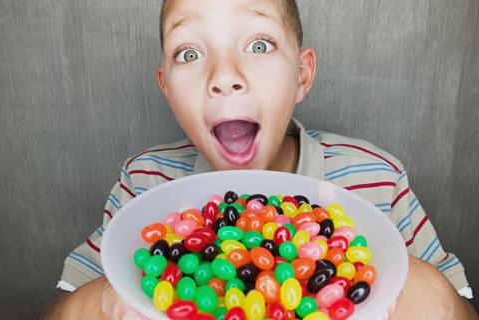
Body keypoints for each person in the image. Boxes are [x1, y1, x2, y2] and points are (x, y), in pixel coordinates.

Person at [42, 0, 478, 319]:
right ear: (166, 87)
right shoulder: (144, 183)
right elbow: (59, 307)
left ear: (301, 75)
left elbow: (461, 307)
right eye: (189, 53)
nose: (225, 76)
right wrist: (106, 304)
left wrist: (430, 298)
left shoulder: (376, 176)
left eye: (260, 44)